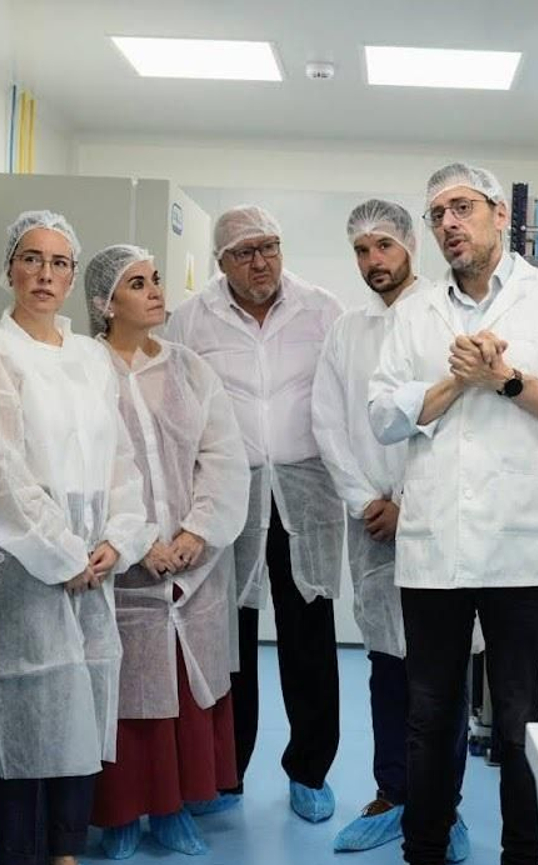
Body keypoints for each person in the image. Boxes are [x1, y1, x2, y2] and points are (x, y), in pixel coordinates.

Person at [368, 162, 538, 865]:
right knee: (429, 714)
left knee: (519, 719)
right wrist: (455, 379)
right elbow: (382, 417)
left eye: (462, 207)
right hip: (436, 544)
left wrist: (505, 378)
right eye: (437, 211)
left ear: (497, 218)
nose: (449, 223)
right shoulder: (414, 315)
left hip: (525, 545)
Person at [0, 210, 155, 865]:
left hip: (90, 559)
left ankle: (67, 854)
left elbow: (121, 461)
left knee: (83, 698)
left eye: (60, 263)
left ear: (74, 279)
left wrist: (115, 542)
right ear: (9, 270)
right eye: (31, 259)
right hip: (25, 558)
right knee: (29, 712)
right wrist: (62, 552)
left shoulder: (91, 359)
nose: (45, 274)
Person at [162, 206, 346, 823]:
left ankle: (310, 771)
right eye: (245, 252)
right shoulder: (192, 320)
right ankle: (226, 771)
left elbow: (348, 394)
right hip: (226, 489)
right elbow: (176, 412)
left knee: (309, 631)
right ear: (221, 264)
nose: (262, 261)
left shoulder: (322, 310)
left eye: (269, 246)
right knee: (228, 636)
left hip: (307, 487)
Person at [311, 199, 469, 858]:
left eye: (384, 246)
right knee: (385, 665)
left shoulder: (445, 315)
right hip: (369, 521)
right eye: (362, 250)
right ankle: (392, 791)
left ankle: (445, 808)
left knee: (440, 671)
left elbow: (458, 420)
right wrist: (363, 500)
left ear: (410, 246)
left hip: (434, 519)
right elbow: (327, 420)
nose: (374, 261)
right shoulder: (347, 332)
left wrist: (410, 502)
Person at [83, 244, 251, 860]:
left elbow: (224, 457)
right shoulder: (82, 371)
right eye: (137, 283)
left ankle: (177, 808)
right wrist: (134, 542)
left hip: (192, 564)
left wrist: (196, 533)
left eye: (156, 280)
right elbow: (81, 470)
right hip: (122, 564)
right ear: (105, 302)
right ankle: (123, 814)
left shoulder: (188, 369)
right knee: (129, 690)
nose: (156, 292)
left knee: (186, 685)